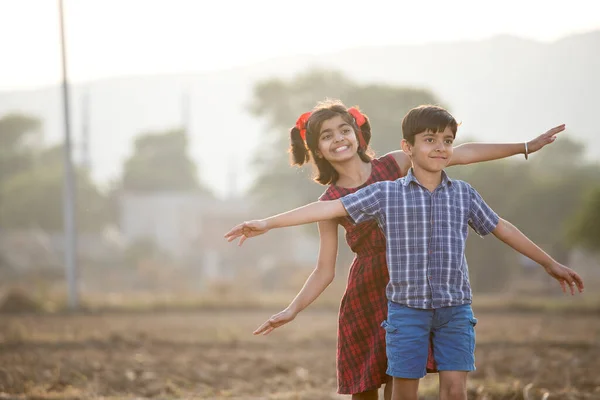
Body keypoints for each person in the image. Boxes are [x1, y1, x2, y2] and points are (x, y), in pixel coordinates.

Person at [230, 100, 571, 400]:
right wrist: (292, 309)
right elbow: (324, 269)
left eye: (344, 130)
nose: (339, 139)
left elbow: (462, 153)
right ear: (318, 149)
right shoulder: (330, 201)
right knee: (365, 387)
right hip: (367, 291)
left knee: (402, 379)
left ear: (358, 135)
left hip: (414, 285)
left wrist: (525, 146)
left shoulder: (394, 166)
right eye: (327, 136)